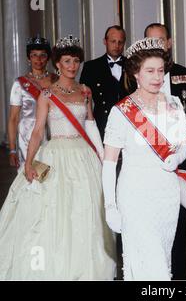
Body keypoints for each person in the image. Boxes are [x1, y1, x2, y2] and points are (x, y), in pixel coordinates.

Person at [0, 35, 116, 280]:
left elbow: (91, 125)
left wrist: (105, 157)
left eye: (75, 61)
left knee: (87, 214)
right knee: (52, 214)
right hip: (55, 155)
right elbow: (38, 131)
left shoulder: (85, 91)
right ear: (58, 65)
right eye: (67, 61)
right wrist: (28, 162)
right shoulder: (47, 94)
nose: (72, 66)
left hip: (83, 155)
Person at [102, 37, 186, 280]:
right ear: (136, 73)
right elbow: (109, 163)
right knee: (152, 267)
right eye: (150, 71)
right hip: (135, 196)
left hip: (167, 196)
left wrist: (176, 158)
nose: (157, 77)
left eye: (161, 71)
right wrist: (110, 205)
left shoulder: (173, 105)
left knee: (162, 259)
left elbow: (183, 145)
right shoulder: (121, 112)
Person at [144, 23, 186, 280]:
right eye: (151, 41)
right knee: (151, 214)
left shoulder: (183, 73)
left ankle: (179, 274)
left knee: (179, 214)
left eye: (160, 40)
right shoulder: (134, 75)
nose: (156, 45)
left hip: (179, 152)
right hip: (147, 155)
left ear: (170, 42)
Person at [8, 35, 56, 170]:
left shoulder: (56, 80)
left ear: (48, 58)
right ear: (28, 58)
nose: (38, 59)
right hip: (27, 137)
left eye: (43, 55)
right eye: (34, 55)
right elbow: (13, 118)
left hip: (52, 135)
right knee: (30, 177)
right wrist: (12, 149)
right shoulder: (20, 84)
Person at [80, 25, 132, 140]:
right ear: (105, 41)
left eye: (120, 42)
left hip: (129, 124)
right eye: (113, 41)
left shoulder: (133, 66)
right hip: (102, 125)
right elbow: (83, 101)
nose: (117, 46)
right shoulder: (91, 67)